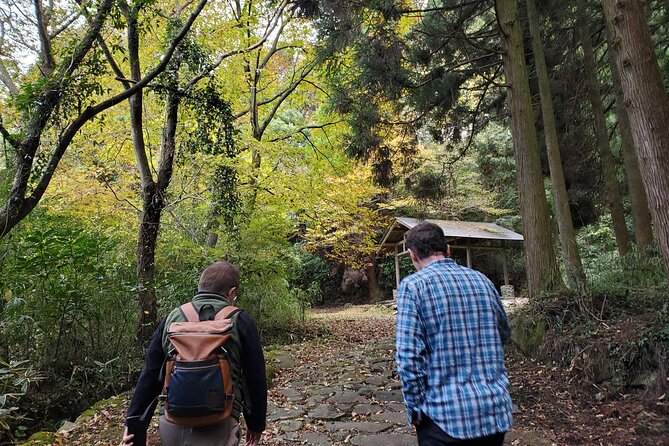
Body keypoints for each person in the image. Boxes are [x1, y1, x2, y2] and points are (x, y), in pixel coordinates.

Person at [121, 261, 267, 446]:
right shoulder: (240, 320)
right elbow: (255, 379)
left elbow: (150, 375)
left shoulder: (172, 318)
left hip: (172, 423)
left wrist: (134, 425)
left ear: (200, 287)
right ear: (231, 292)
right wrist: (256, 424)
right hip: (221, 423)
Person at [395, 222, 512, 446]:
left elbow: (409, 360)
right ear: (448, 250)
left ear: (412, 255)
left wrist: (415, 410)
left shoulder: (413, 287)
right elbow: (504, 334)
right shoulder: (483, 281)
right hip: (494, 411)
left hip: (444, 417)